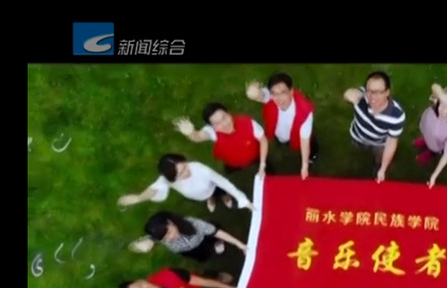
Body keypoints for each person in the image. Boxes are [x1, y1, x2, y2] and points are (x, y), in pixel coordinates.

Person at [172, 103, 273, 202]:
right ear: (212, 127)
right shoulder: (212, 132)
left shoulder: (248, 123)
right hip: (232, 160)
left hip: (256, 155)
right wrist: (191, 133)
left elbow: (263, 140)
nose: (225, 124)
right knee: (230, 168)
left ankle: (269, 172)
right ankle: (233, 168)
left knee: (268, 168)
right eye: (217, 123)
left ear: (229, 113)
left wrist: (262, 164)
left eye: (224, 118)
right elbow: (198, 137)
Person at [117, 153, 253, 212]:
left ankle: (224, 197)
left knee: (219, 191)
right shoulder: (168, 179)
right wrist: (139, 198)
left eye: (185, 166)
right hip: (195, 195)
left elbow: (223, 182)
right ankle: (210, 199)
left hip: (212, 187)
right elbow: (153, 190)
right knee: (203, 198)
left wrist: (242, 199)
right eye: (181, 173)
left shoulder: (199, 168)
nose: (187, 172)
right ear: (172, 178)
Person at [245, 72, 318, 179]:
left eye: (283, 92)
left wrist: (304, 166)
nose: (279, 98)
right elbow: (258, 95)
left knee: (311, 145)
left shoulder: (305, 112)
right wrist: (253, 91)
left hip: (300, 137)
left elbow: (304, 141)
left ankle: (312, 157)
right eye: (274, 93)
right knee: (282, 141)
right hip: (281, 134)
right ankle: (282, 142)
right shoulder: (271, 98)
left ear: (291, 92)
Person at [343, 71, 406, 182]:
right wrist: (352, 94)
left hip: (379, 143)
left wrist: (383, 169)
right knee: (358, 150)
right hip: (357, 136)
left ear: (387, 93)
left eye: (378, 92)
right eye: (370, 91)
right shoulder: (360, 98)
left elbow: (391, 143)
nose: (372, 97)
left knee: (379, 159)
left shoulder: (396, 116)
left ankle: (377, 168)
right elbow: (348, 94)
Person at [414, 83, 447, 188]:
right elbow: (434, 86)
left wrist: (434, 176)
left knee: (433, 147)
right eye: (443, 105)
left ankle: (431, 152)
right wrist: (443, 98)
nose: (443, 111)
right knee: (427, 135)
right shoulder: (439, 103)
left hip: (436, 143)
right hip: (429, 127)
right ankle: (425, 140)